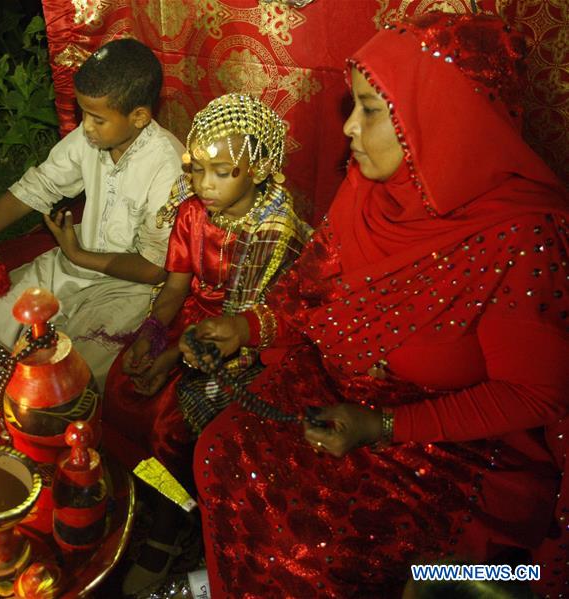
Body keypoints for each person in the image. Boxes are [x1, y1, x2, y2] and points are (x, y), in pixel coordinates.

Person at [177, 13, 568, 598]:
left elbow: (536, 393)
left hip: (450, 443)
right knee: (221, 450)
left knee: (317, 537)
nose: (350, 130)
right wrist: (247, 325)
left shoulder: (523, 235)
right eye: (352, 108)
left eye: (371, 110)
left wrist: (386, 427)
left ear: (438, 114)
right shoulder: (370, 188)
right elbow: (310, 288)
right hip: (339, 392)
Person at [101, 93, 310, 594]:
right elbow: (175, 288)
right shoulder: (193, 212)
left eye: (223, 172)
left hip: (247, 338)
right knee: (121, 387)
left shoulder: (273, 230)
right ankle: (148, 495)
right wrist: (151, 336)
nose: (204, 185)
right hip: (192, 320)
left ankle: (172, 528)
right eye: (197, 170)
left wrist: (172, 356)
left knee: (172, 422)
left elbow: (247, 320)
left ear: (258, 170)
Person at [0, 38, 184, 389]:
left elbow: (153, 268)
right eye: (83, 113)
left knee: (60, 380)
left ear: (139, 117)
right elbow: (36, 187)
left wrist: (77, 253)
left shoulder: (166, 167)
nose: (85, 127)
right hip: (66, 269)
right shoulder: (94, 139)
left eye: (97, 118)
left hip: (125, 291)